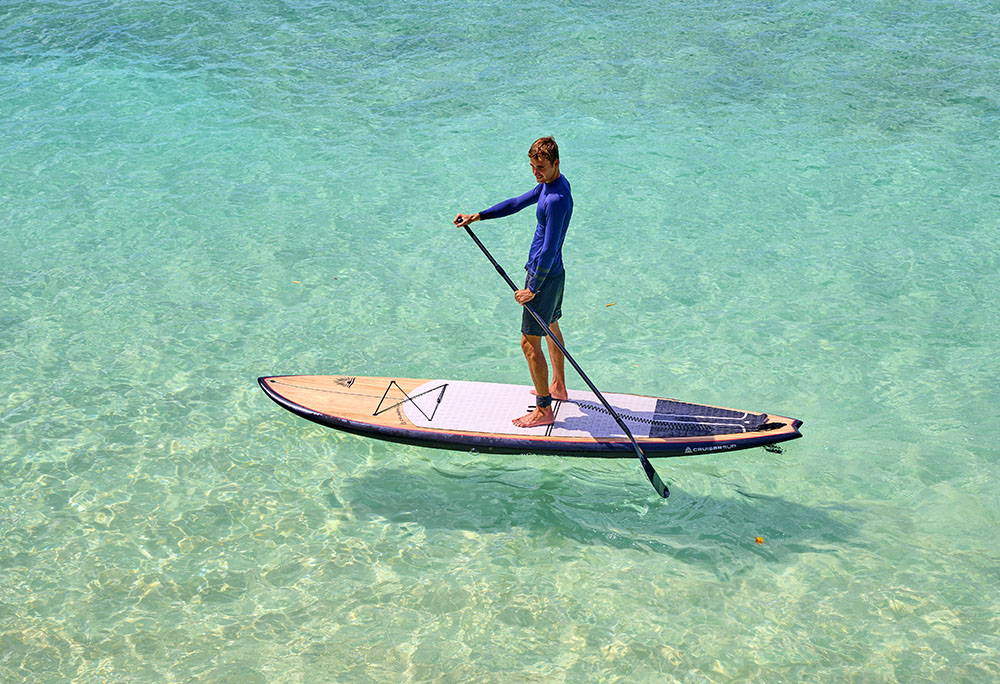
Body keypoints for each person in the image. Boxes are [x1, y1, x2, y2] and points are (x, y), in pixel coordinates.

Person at [454, 136, 573, 428]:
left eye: (541, 167)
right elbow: (516, 203)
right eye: (533, 167)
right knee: (551, 328)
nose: (536, 172)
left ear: (556, 163)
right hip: (553, 274)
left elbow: (548, 247)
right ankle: (558, 387)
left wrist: (533, 288)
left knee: (529, 343)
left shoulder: (556, 199)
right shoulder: (550, 185)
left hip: (543, 276)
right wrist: (478, 216)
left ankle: (544, 410)